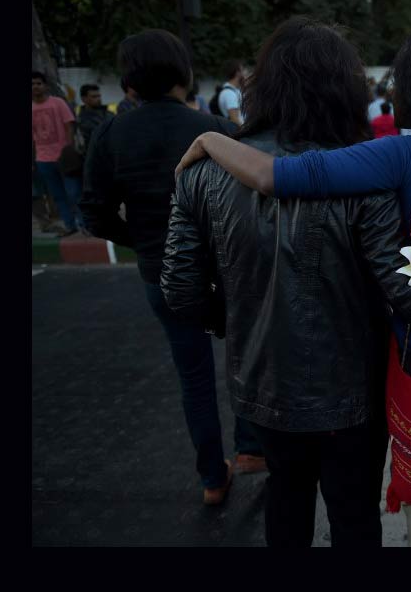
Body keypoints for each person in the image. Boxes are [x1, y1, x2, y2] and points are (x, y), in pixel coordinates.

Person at [162, 16, 411, 547]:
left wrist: (240, 319)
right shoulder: (375, 176)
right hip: (359, 385)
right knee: (356, 512)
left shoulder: (204, 170)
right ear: (346, 90)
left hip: (262, 380)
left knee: (286, 495)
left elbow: (180, 290)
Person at [79, 30, 267, 506]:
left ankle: (211, 476)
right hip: (224, 270)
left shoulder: (111, 133)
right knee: (244, 356)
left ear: (130, 83)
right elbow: (252, 202)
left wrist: (144, 243)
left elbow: (94, 212)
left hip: (159, 273)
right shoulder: (214, 130)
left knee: (194, 374)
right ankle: (252, 449)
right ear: (185, 74)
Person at [32, 71, 80, 236]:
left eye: (38, 83)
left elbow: (69, 126)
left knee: (73, 192)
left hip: (63, 157)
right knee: (57, 195)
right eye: (32, 84)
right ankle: (69, 225)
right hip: (42, 159)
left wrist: (68, 149)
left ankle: (84, 224)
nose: (35, 87)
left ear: (45, 85)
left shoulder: (57, 102)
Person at [217, 60, 245, 125]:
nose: (245, 73)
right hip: (243, 133)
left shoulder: (235, 90)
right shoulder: (229, 93)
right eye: (243, 70)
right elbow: (235, 120)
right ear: (237, 73)